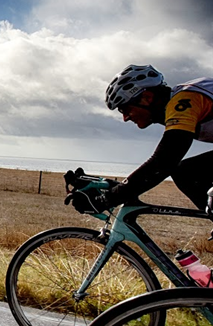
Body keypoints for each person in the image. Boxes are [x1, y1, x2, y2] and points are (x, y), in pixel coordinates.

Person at [67, 64, 213, 215]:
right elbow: (160, 165)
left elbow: (164, 161)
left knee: (186, 172)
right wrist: (115, 187)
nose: (125, 118)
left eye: (125, 109)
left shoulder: (185, 101)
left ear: (146, 98)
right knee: (186, 172)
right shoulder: (178, 104)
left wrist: (107, 199)